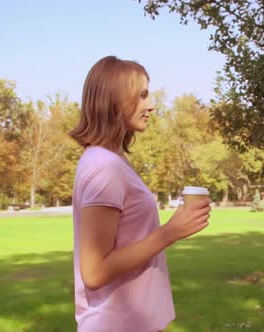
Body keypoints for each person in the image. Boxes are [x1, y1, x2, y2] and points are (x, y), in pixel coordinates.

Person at [69, 56, 211, 332]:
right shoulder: (103, 166)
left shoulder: (112, 160)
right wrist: (170, 232)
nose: (151, 105)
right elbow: (94, 272)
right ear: (113, 99)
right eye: (142, 95)